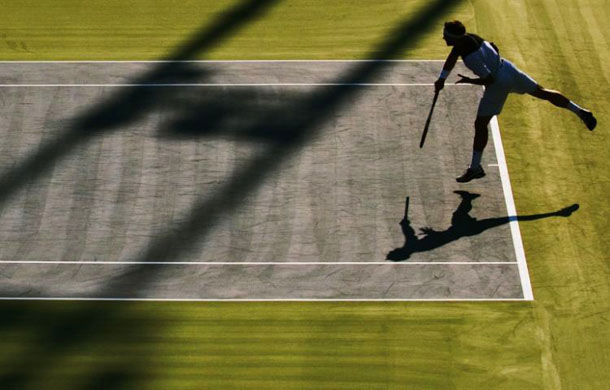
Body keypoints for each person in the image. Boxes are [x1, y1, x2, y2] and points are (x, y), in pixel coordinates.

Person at [435, 20, 597, 183]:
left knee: (481, 124)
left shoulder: (470, 59)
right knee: (542, 92)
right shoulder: (471, 38)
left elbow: (489, 80)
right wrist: (442, 78)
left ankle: (475, 168)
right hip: (508, 69)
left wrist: (469, 81)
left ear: (454, 37)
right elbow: (485, 49)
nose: (443, 37)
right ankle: (581, 112)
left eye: (445, 35)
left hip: (498, 83)